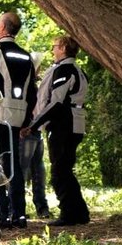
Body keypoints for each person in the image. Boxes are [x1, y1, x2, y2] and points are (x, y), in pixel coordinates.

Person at [21, 36, 90, 226]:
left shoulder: (65, 69)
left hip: (64, 125)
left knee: (59, 172)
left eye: (54, 47)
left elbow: (56, 102)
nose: (52, 50)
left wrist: (34, 125)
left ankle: (68, 214)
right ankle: (80, 212)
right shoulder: (77, 70)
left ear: (63, 48)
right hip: (74, 123)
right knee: (65, 169)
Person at [0, 11, 37, 229]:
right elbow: (32, 91)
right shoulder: (25, 55)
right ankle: (19, 214)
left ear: (3, 28)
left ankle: (2, 214)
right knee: (14, 165)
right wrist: (27, 119)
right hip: (19, 114)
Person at [19, 52, 50, 219]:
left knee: (32, 170)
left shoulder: (30, 85)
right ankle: (38, 207)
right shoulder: (30, 86)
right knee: (33, 169)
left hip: (31, 130)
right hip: (32, 129)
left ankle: (33, 207)